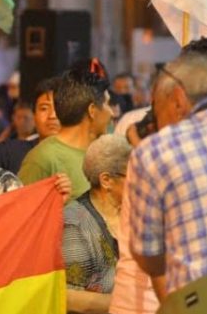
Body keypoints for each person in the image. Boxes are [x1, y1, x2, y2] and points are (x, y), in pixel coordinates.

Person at [127, 53, 207, 296]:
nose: (156, 125)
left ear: (177, 100)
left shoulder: (155, 151)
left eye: (156, 110)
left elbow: (149, 256)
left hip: (206, 300)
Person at [19, 62, 113, 200]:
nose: (111, 112)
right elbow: (23, 214)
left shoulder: (105, 152)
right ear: (92, 111)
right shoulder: (42, 159)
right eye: (107, 104)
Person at [64, 134, 131, 314]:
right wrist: (129, 306)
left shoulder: (136, 211)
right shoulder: (74, 222)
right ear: (106, 180)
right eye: (134, 174)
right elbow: (69, 297)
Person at [0, 77, 60, 174]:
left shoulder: (83, 155)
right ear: (34, 116)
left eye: (58, 108)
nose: (52, 116)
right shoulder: (11, 152)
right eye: (44, 108)